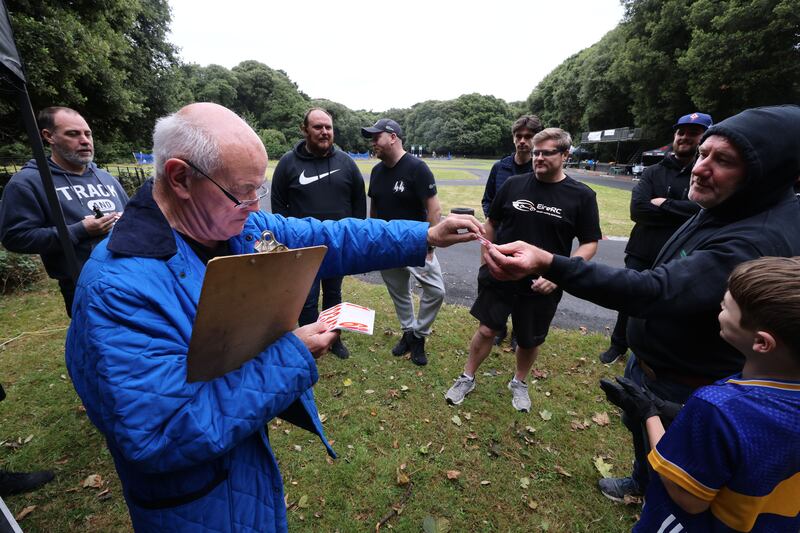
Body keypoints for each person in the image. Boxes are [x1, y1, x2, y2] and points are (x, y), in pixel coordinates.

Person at [64, 103, 482, 533]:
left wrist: (424, 234)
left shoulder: (236, 228)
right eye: (243, 192)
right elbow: (160, 433)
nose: (252, 204)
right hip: (192, 505)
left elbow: (328, 236)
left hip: (240, 469)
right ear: (179, 178)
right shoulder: (118, 291)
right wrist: (290, 357)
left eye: (258, 191)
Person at [482, 105, 800, 500]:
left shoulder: (757, 238)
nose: (701, 168)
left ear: (766, 173)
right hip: (656, 364)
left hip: (689, 381)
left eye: (724, 161)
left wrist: (549, 263)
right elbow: (645, 222)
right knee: (644, 434)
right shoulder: (730, 206)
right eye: (704, 153)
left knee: (682, 474)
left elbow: (655, 291)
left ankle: (656, 500)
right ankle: (640, 482)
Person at [603, 257, 800, 532]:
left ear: (761, 342)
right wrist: (668, 408)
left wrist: (648, 412)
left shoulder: (718, 407)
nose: (719, 306)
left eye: (727, 307)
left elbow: (687, 498)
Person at [445, 128, 601, 412]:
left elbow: (589, 243)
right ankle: (467, 377)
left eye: (546, 153)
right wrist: (486, 260)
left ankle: (519, 382)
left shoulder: (582, 195)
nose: (538, 157)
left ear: (565, 155)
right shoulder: (514, 185)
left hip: (542, 282)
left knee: (529, 339)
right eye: (536, 152)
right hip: (500, 274)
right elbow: (491, 224)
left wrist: (559, 275)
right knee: (486, 329)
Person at [599, 112, 711, 364]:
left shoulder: (705, 173)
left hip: (682, 251)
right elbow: (637, 210)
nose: (685, 138)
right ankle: (618, 344)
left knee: (670, 302)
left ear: (705, 138)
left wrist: (663, 204)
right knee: (629, 297)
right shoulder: (653, 172)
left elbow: (706, 211)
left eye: (693, 133)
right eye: (681, 132)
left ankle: (653, 351)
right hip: (643, 249)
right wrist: (683, 209)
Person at [0, 106, 128, 317]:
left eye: (87, 134)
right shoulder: (28, 182)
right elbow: (15, 237)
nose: (85, 140)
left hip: (130, 275)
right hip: (84, 286)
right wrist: (79, 230)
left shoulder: (106, 178)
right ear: (49, 136)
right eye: (73, 134)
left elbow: (135, 217)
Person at [271, 107, 366, 359]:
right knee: (307, 298)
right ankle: (309, 342)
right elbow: (278, 208)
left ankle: (334, 339)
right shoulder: (287, 164)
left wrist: (352, 240)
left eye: (328, 127)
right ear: (304, 130)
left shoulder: (346, 162)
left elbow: (359, 204)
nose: (324, 132)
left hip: (337, 247)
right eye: (318, 127)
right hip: (304, 250)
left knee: (334, 294)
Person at [362, 118, 444, 366]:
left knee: (436, 291)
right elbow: (374, 207)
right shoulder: (376, 171)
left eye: (377, 137)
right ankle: (408, 333)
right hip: (387, 244)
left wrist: (429, 244)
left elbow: (434, 208)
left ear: (393, 137)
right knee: (399, 292)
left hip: (415, 242)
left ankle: (420, 335)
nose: (373, 142)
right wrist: (374, 238)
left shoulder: (417, 168)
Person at [481, 114, 543, 349]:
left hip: (531, 238)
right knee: (498, 283)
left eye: (528, 137)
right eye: (519, 136)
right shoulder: (500, 167)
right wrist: (494, 218)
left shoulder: (539, 168)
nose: (523, 141)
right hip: (501, 237)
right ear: (513, 138)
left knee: (526, 287)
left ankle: (520, 331)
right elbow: (488, 199)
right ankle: (499, 327)